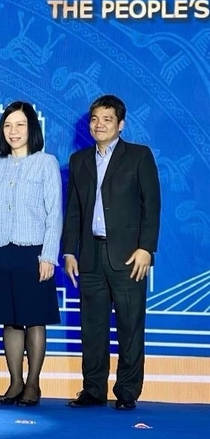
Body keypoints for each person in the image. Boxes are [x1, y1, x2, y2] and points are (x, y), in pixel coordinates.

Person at [62, 95, 161, 411]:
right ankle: (92, 390)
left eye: (107, 118)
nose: (99, 124)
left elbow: (152, 206)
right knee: (91, 327)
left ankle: (128, 391)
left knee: (130, 326)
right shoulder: (79, 161)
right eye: (94, 118)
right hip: (90, 256)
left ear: (121, 124)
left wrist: (147, 248)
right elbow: (74, 211)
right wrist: (69, 252)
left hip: (129, 257)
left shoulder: (139, 156)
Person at [0, 101, 62, 407]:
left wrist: (49, 255)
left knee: (34, 319)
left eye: (20, 125)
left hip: (34, 253)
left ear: (32, 129)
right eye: (8, 126)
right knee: (9, 321)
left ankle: (33, 385)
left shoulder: (45, 162)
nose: (13, 132)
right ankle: (15, 383)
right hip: (1, 251)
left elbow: (55, 214)